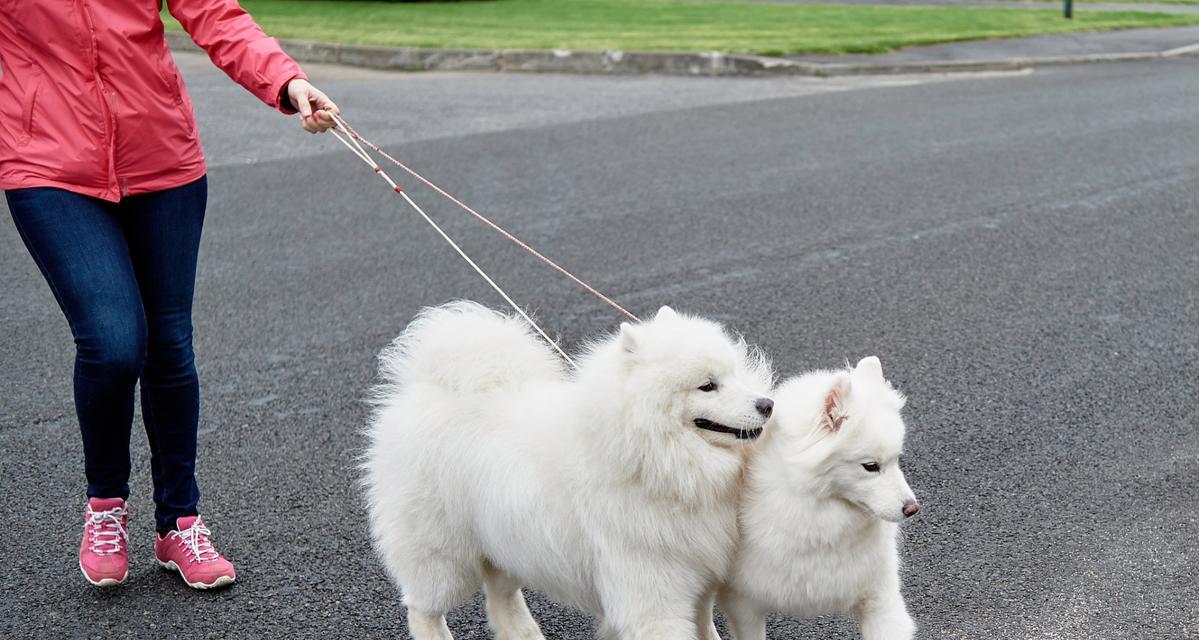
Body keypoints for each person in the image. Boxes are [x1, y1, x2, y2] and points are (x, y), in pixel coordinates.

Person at [1, 1, 339, 589]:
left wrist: (287, 81)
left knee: (168, 345)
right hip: (47, 164)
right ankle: (105, 506)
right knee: (113, 343)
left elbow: (216, 15)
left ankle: (179, 522)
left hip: (164, 161)